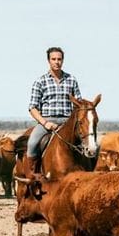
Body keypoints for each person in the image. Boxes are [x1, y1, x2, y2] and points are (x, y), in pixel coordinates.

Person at [25, 46, 83, 176]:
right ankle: (32, 176)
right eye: (54, 59)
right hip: (47, 121)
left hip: (68, 121)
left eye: (59, 59)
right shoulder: (40, 81)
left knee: (90, 145)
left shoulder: (71, 80)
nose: (57, 62)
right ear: (48, 61)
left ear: (63, 61)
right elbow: (32, 107)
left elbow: (79, 104)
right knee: (32, 143)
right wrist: (45, 123)